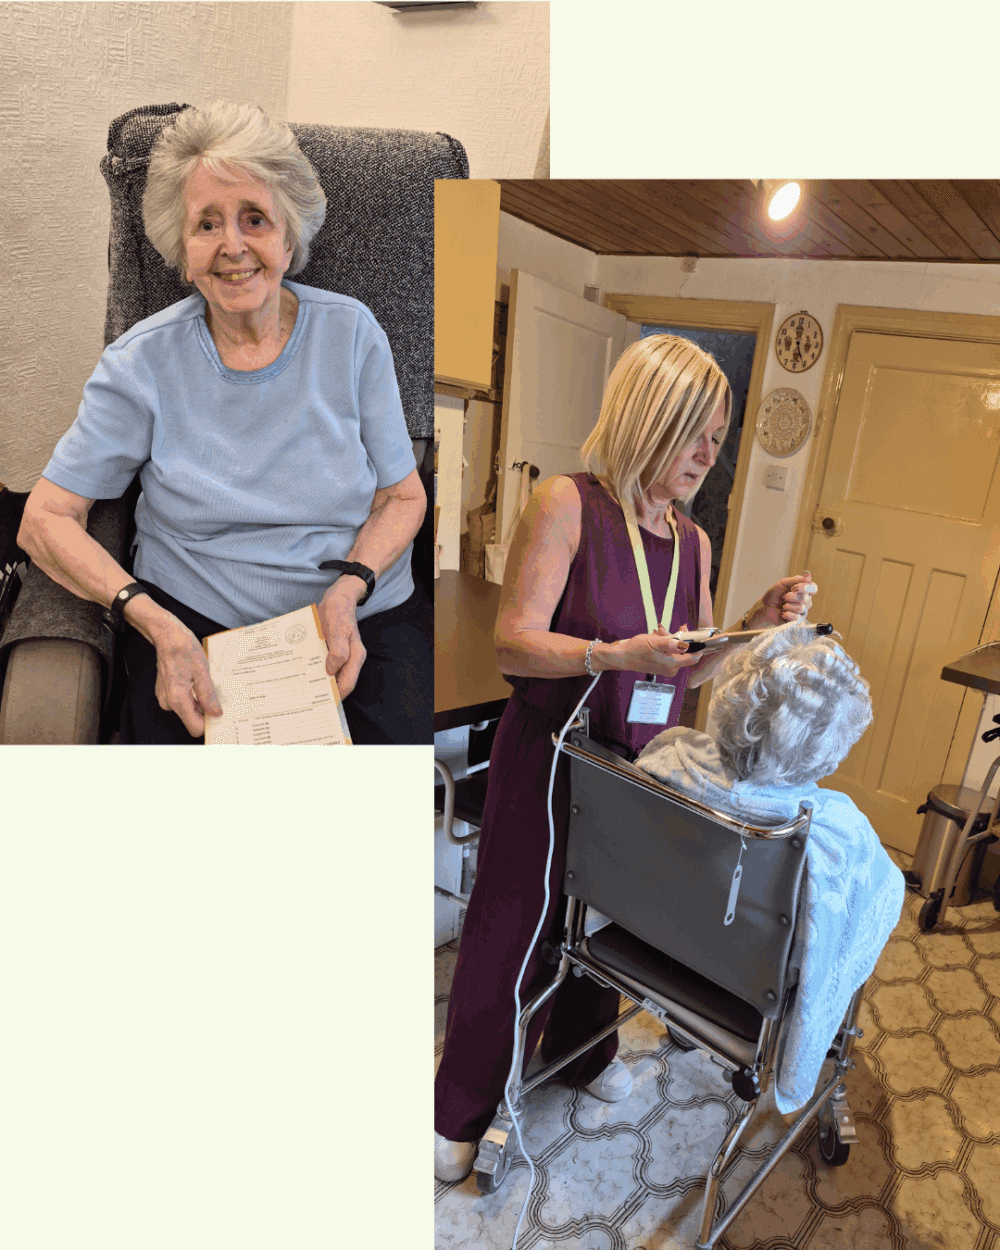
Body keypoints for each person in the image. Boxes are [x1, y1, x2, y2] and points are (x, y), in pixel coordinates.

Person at [434, 334, 818, 1182]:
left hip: (643, 769)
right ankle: (459, 1104)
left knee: (606, 922)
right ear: (650, 419)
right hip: (553, 760)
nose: (708, 453)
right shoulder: (568, 506)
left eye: (718, 435)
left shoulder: (695, 542)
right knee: (514, 932)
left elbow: (691, 662)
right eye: (694, 431)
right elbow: (513, 645)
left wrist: (750, 617)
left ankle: (580, 1060)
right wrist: (610, 656)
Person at [17, 101, 430, 745]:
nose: (233, 246)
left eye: (255, 220)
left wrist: (351, 589)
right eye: (207, 224)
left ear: (289, 240)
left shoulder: (352, 334)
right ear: (181, 253)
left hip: (354, 609)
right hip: (194, 620)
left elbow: (403, 495)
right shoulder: (141, 363)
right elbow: (43, 519)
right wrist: (148, 619)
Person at [635, 622, 905, 1113]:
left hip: (656, 947)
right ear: (833, 743)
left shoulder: (671, 754)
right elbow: (873, 912)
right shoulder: (836, 833)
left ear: (733, 698)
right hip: (746, 984)